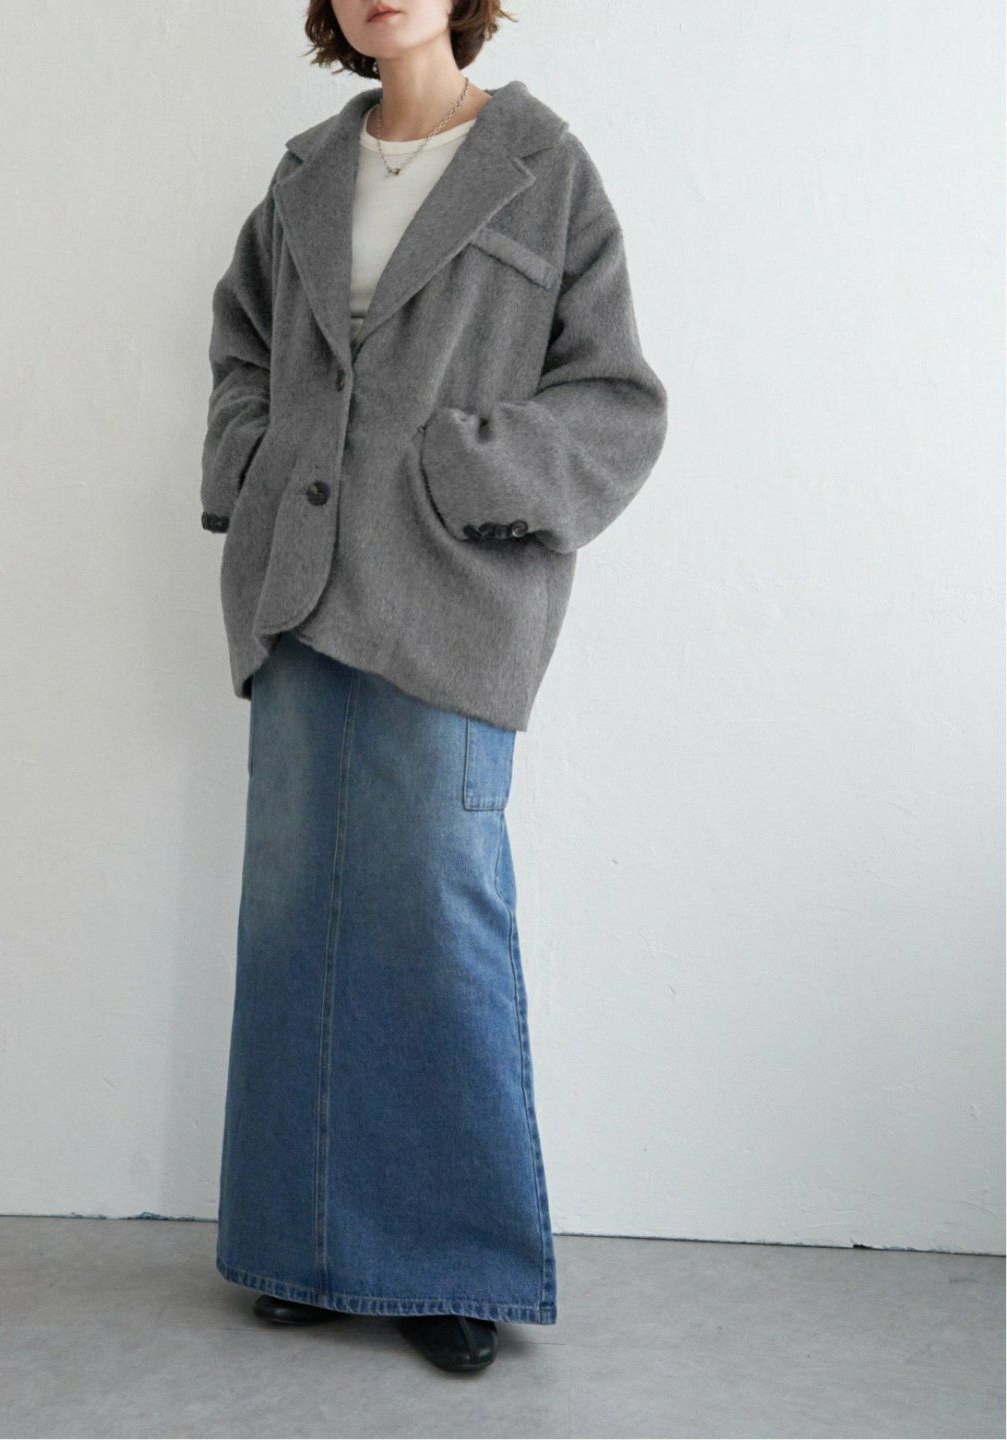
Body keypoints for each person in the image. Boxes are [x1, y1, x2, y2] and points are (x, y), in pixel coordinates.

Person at [200, 0, 668, 1373]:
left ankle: (451, 1263)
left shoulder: (540, 164)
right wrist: (251, 466)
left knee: (434, 915)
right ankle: (305, 1248)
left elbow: (616, 399)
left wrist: (465, 473)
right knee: (298, 919)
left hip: (449, 599)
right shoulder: (305, 173)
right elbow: (242, 348)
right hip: (298, 588)